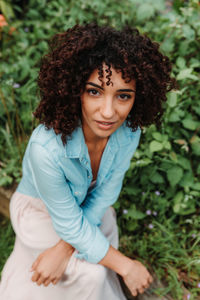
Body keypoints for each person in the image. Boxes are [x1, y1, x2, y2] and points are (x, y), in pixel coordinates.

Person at [0, 23, 175, 300]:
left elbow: (106, 192)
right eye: (94, 91)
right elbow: (68, 222)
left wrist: (63, 249)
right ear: (74, 89)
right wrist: (127, 266)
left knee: (89, 269)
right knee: (92, 275)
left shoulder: (129, 133)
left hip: (90, 210)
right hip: (42, 212)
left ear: (137, 98)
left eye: (123, 96)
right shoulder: (45, 148)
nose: (108, 112)